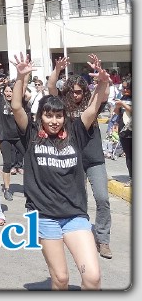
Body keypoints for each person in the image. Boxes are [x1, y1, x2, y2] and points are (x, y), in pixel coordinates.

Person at [10, 52, 108, 290]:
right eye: (48, 115)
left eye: (58, 116)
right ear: (40, 117)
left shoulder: (75, 132)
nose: (54, 120)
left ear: (65, 117)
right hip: (44, 217)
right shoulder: (32, 134)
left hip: (75, 215)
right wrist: (21, 77)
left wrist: (103, 82)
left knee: (92, 278)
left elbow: (94, 107)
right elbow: (15, 106)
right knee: (61, 279)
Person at [47, 55, 114, 259]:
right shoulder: (63, 108)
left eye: (79, 92)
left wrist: (102, 75)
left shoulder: (91, 105)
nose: (76, 95)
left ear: (84, 92)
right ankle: (81, 235)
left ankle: (102, 239)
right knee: (79, 200)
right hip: (72, 159)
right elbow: (51, 88)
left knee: (102, 199)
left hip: (94, 159)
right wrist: (57, 69)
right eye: (72, 91)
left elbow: (104, 94)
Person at [0, 58, 25, 201]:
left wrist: (22, 73)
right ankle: (7, 189)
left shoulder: (17, 101)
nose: (9, 93)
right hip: (4, 136)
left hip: (18, 136)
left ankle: (32, 186)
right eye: (7, 91)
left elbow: (22, 86)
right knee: (8, 163)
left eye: (11, 91)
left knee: (29, 158)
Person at [114, 78, 132, 187]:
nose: (125, 90)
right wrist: (117, 106)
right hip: (124, 131)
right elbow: (117, 113)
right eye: (123, 88)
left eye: (127, 88)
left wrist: (123, 105)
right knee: (129, 155)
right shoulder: (123, 98)